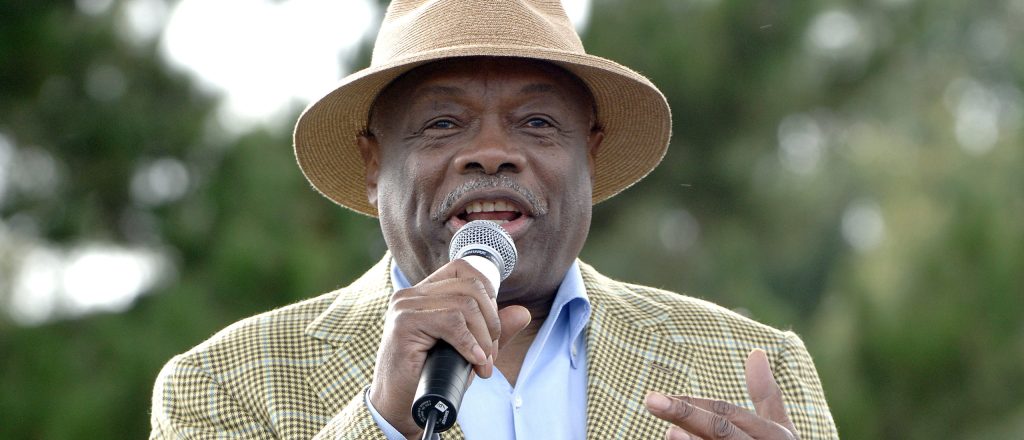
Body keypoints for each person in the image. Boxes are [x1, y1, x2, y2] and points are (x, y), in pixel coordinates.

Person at [150, 1, 838, 439]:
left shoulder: (753, 366)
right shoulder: (223, 382)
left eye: (536, 122)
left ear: (590, 154)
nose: (491, 153)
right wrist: (381, 422)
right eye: (442, 123)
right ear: (373, 161)